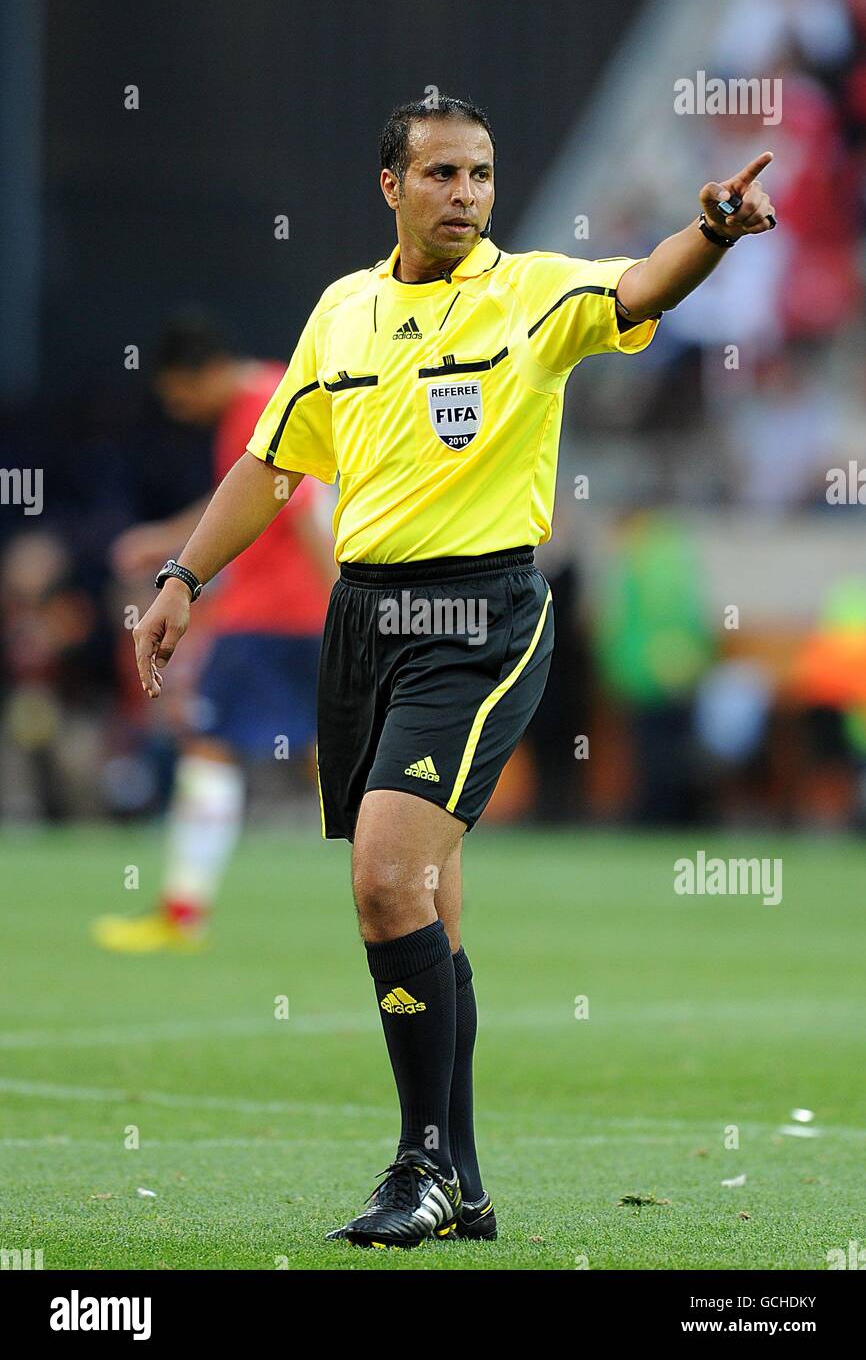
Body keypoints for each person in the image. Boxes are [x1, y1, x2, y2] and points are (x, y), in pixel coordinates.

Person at [129, 97, 776, 1245]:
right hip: (362, 619)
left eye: (477, 173)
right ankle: (462, 1183)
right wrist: (184, 574)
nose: (464, 193)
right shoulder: (342, 313)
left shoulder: (529, 292)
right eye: (439, 173)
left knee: (385, 878)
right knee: (421, 900)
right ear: (391, 185)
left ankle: (417, 1163)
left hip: (477, 620)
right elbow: (272, 465)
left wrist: (713, 233)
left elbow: (640, 287)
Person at [93, 313, 335, 952]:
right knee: (332, 756)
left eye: (178, 394)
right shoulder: (276, 389)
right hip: (295, 614)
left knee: (208, 745)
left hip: (269, 614)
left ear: (200, 373)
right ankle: (418, 882)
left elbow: (302, 504)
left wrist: (342, 603)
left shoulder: (259, 405)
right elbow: (244, 498)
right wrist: (168, 540)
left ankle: (180, 914)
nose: (178, 410)